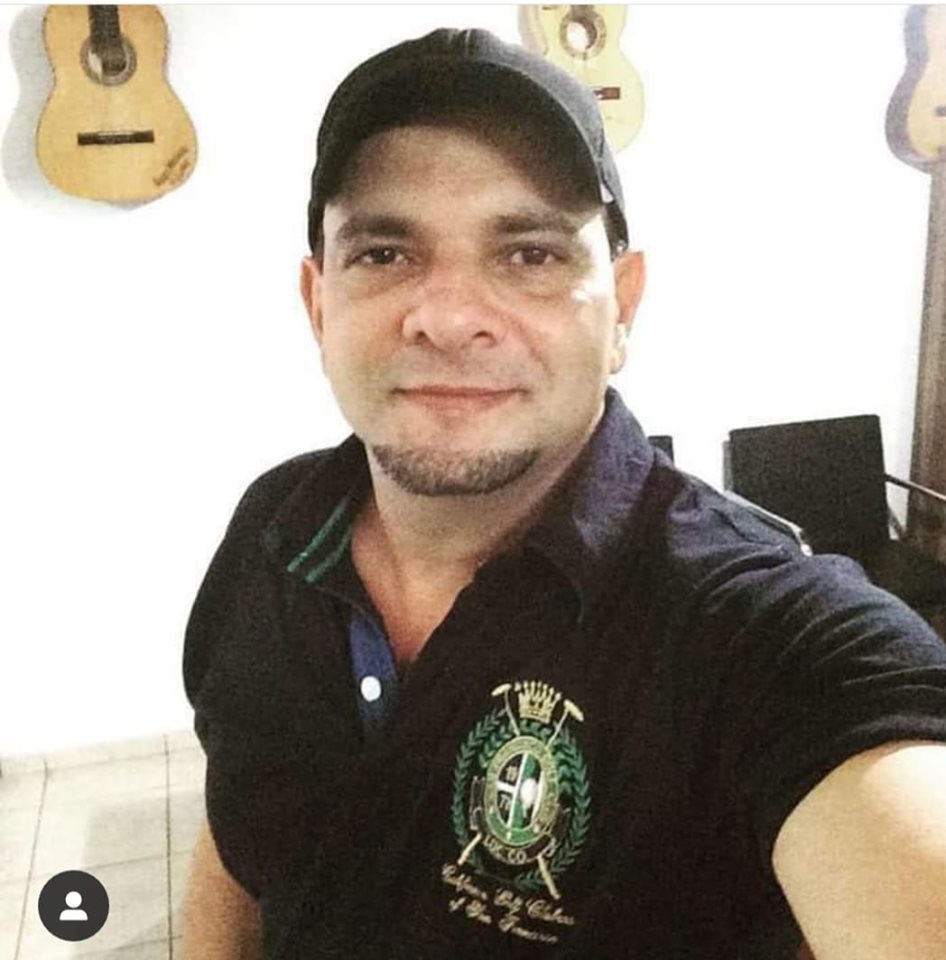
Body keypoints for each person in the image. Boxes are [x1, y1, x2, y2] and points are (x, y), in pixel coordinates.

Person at [181, 27, 946, 960]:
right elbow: (240, 818)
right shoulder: (274, 524)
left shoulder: (759, 637)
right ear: (317, 304)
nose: (448, 318)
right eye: (384, 253)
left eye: (531, 255)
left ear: (624, 307)